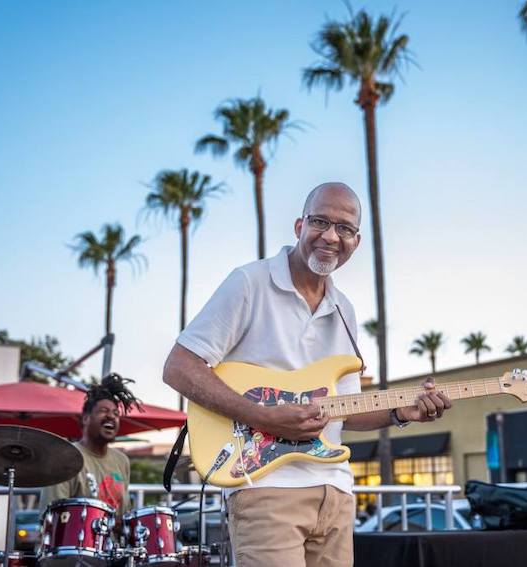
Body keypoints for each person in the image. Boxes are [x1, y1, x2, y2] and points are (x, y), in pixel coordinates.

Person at [163, 182, 453, 567]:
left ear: (356, 241)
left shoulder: (344, 310)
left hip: (335, 492)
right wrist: (262, 416)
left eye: (345, 228)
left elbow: (345, 410)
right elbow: (179, 366)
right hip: (264, 487)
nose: (331, 236)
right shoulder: (249, 283)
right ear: (300, 226)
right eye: (320, 221)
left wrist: (402, 412)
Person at [40, 374, 139, 519]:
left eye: (116, 413)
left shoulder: (121, 460)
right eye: (103, 411)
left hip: (116, 542)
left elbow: (124, 514)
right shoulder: (63, 458)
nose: (111, 416)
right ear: (86, 418)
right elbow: (51, 520)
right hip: (78, 541)